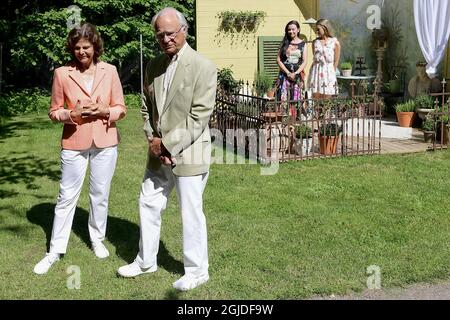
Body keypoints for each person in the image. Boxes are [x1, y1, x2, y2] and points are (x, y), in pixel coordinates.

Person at [117, 8, 217, 292]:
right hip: (156, 150)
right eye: (159, 34)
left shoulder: (203, 66)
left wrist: (168, 144)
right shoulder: (153, 65)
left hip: (190, 151)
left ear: (184, 30)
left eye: (170, 33)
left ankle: (197, 271)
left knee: (190, 211)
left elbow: (199, 117)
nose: (164, 39)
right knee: (147, 202)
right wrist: (152, 139)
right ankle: (146, 261)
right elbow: (146, 106)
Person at [33, 22, 126, 275]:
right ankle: (55, 250)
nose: (81, 52)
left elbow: (121, 108)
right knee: (66, 197)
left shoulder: (110, 71)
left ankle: (97, 239)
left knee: (100, 194)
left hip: (105, 142)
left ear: (96, 47)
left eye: (86, 47)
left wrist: (106, 110)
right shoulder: (62, 74)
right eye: (76, 48)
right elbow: (53, 112)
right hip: (73, 143)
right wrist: (71, 114)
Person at [276, 20, 308, 118]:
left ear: (298, 30)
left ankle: (297, 120)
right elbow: (278, 60)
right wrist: (288, 73)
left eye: (293, 29)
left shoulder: (303, 44)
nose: (291, 31)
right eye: (289, 30)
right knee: (284, 98)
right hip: (284, 76)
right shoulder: (284, 43)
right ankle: (285, 119)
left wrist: (296, 73)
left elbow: (304, 61)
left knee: (297, 98)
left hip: (298, 76)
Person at [308, 19, 341, 99]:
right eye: (316, 30)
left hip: (328, 72)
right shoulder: (315, 42)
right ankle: (316, 111)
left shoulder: (334, 42)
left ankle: (326, 112)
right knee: (316, 96)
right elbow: (315, 57)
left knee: (327, 98)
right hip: (316, 72)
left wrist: (331, 73)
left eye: (318, 29)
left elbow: (336, 61)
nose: (317, 32)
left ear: (325, 28)